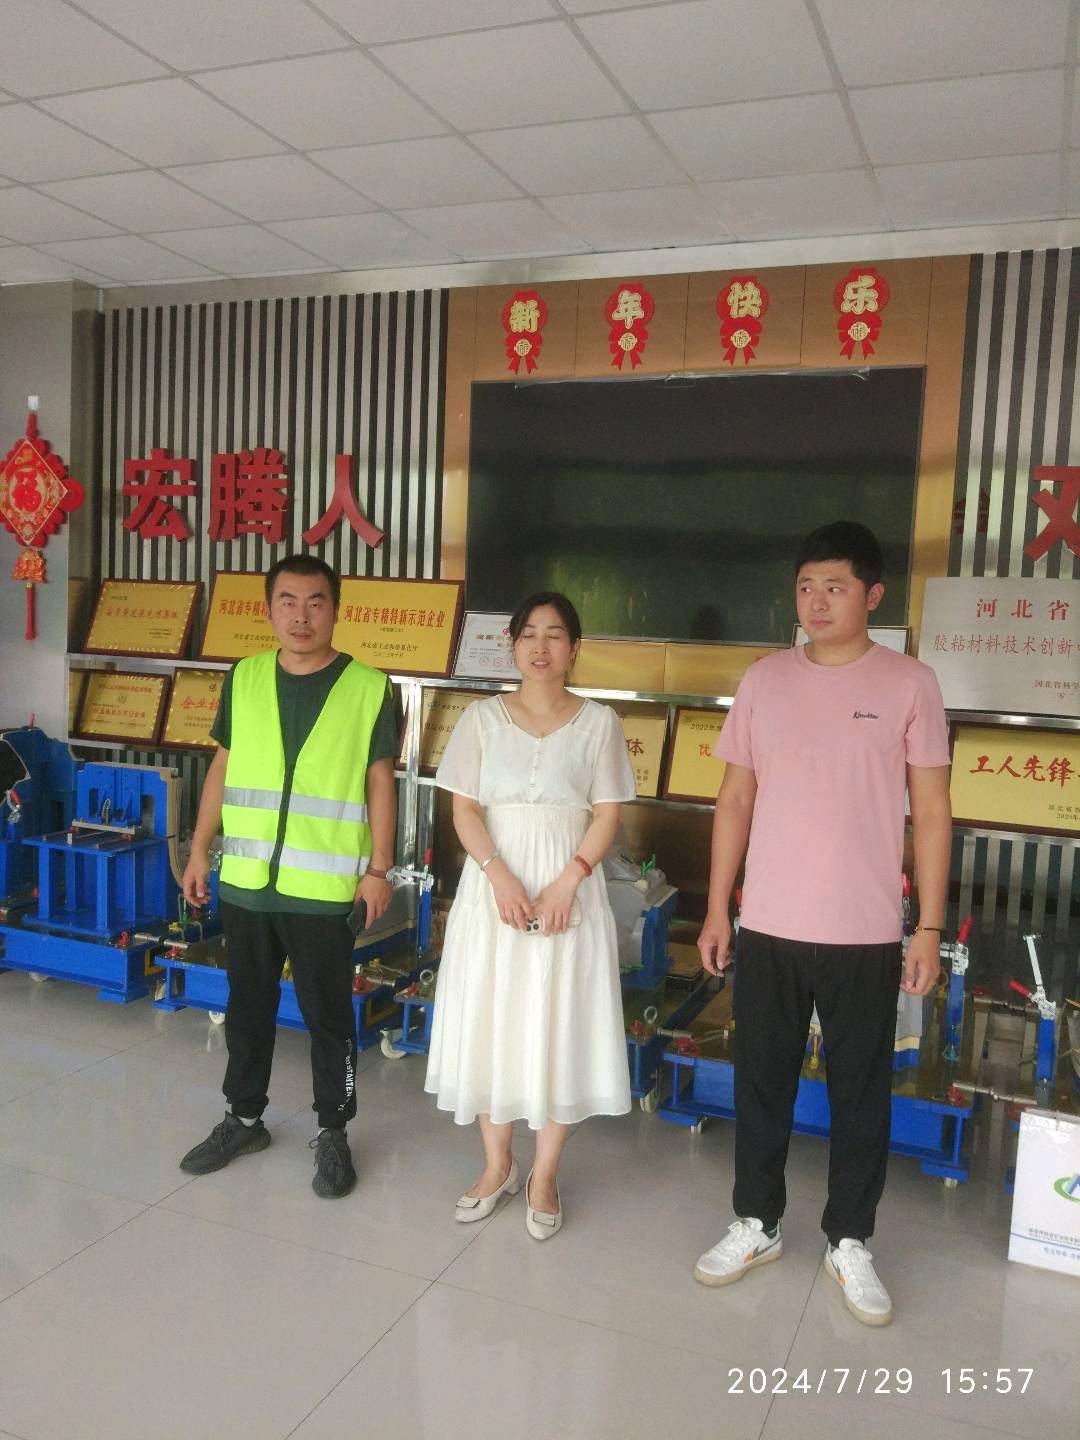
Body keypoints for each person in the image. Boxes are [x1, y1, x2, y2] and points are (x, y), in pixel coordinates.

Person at [694, 522, 952, 1325]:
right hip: (769, 923)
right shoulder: (764, 679)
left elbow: (933, 811)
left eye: (834, 587)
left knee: (861, 1092)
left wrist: (928, 928)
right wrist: (717, 906)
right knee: (760, 1078)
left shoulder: (910, 683)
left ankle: (849, 1238)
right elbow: (735, 799)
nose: (817, 601)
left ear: (873, 595)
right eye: (806, 587)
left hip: (866, 930)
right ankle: (757, 1222)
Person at [178, 555, 398, 1199]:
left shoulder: (369, 687)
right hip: (247, 882)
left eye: (316, 601)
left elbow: (380, 781)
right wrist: (199, 848)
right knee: (247, 1006)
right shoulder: (244, 677)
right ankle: (243, 1119)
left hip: (323, 891)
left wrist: (378, 868)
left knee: (328, 1017)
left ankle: (334, 1131)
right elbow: (222, 767)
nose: (302, 615)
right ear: (269, 608)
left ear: (336, 609)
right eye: (288, 601)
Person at [425, 592, 635, 1238]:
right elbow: (464, 809)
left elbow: (607, 813)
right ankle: (498, 1165)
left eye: (555, 634)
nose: (541, 647)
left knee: (560, 1019)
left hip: (570, 892)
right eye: (529, 635)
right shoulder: (481, 719)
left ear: (574, 648)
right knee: (492, 1015)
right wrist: (499, 875)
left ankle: (544, 1174)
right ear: (512, 644)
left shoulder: (599, 723)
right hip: (495, 891)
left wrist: (569, 881)